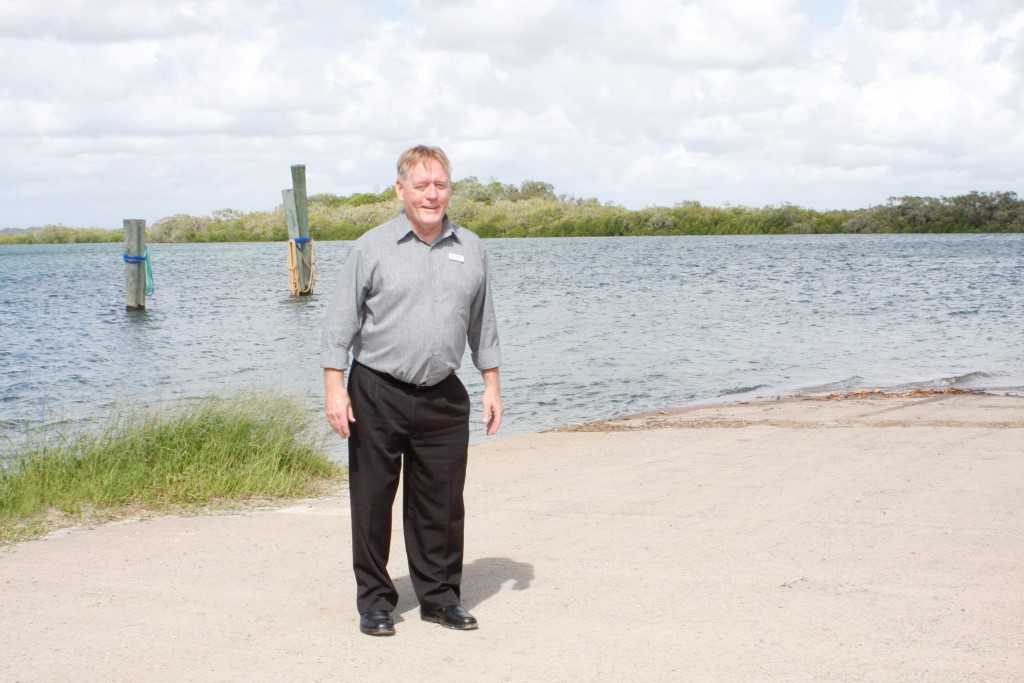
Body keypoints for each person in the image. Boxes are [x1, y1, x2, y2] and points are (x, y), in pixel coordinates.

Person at [321, 145, 503, 637]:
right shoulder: (371, 247)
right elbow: (340, 323)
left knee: (442, 504)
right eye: (421, 185)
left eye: (440, 184)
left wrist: (491, 383)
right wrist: (335, 388)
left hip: (443, 394)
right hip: (377, 391)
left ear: (450, 189)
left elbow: (482, 322)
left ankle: (440, 598)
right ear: (400, 189)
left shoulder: (472, 247)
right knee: (373, 500)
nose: (431, 194)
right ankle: (376, 602)